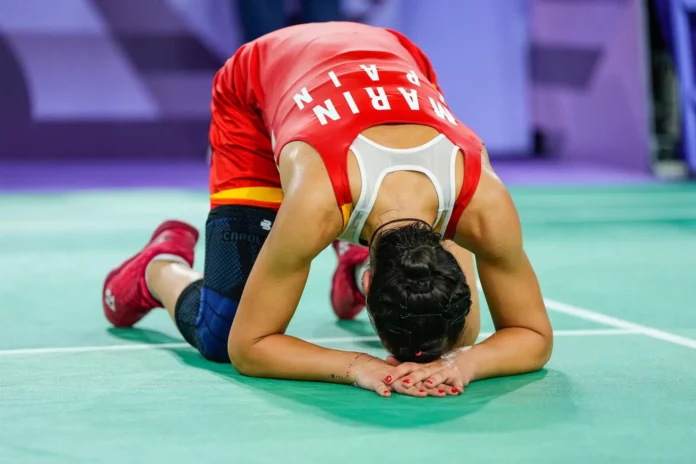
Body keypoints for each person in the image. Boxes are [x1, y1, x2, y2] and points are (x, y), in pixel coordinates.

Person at [102, 22, 553, 398]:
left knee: (456, 332)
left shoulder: (480, 201)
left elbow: (533, 336)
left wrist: (461, 361)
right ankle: (157, 268)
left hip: (393, 56)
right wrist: (359, 366)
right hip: (261, 82)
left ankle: (352, 262)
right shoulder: (317, 202)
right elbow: (248, 345)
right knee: (220, 331)